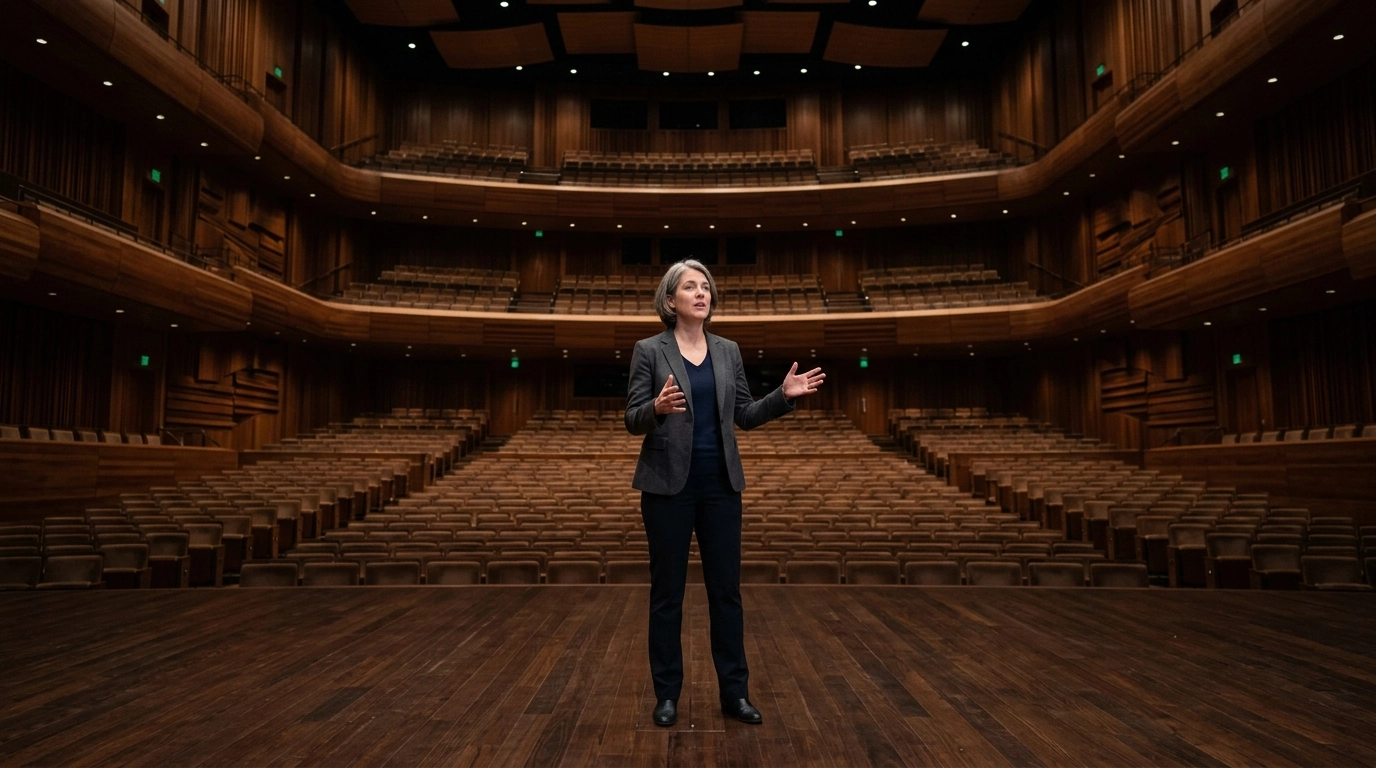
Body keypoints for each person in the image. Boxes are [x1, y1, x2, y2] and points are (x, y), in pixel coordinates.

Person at [624, 259, 826, 727]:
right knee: (667, 596)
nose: (701, 293)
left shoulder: (728, 351)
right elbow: (631, 418)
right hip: (666, 489)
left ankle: (735, 694)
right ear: (670, 300)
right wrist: (654, 408)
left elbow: (744, 414)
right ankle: (667, 696)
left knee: (726, 595)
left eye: (705, 287)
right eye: (690, 287)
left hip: (720, 487)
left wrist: (784, 396)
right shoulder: (649, 350)